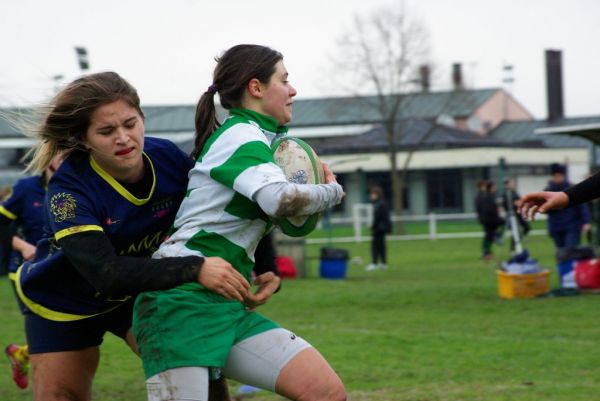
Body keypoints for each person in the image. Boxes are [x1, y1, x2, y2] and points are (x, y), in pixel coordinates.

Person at [11, 71, 253, 401]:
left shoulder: (167, 158)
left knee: (200, 372)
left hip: (140, 291)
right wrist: (195, 268)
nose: (124, 138)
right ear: (84, 139)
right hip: (63, 302)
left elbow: (223, 202)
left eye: (130, 123)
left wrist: (265, 261)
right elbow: (106, 273)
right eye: (107, 131)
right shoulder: (68, 193)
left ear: (143, 117)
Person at [132, 44, 346, 401]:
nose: (293, 90)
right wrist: (332, 191)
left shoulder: (257, 139)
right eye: (285, 80)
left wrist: (266, 266)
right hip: (180, 303)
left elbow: (279, 215)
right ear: (256, 88)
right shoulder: (241, 135)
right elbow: (281, 199)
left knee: (325, 391)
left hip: (226, 303)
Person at [0, 154, 63, 389]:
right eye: (61, 155)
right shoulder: (26, 189)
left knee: (65, 330)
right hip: (27, 272)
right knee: (46, 331)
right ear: (49, 159)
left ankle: (22, 355)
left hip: (63, 271)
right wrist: (23, 246)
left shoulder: (79, 186)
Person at [537, 163, 591, 249]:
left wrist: (586, 221)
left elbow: (582, 206)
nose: (558, 178)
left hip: (572, 226)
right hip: (556, 227)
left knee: (570, 251)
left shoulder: (572, 188)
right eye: (556, 176)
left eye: (559, 175)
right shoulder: (548, 191)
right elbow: (545, 209)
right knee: (561, 252)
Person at [475, 179, 504, 261]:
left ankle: (487, 253)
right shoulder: (481, 196)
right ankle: (487, 251)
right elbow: (481, 209)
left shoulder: (484, 195)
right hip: (488, 219)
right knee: (489, 235)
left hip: (486, 219)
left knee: (488, 236)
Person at [365, 185, 391, 271]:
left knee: (375, 246)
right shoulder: (381, 203)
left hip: (379, 229)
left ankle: (375, 263)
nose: (371, 196)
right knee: (381, 246)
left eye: (373, 194)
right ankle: (383, 263)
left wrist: (374, 226)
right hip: (381, 228)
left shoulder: (379, 204)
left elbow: (380, 217)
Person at [502, 178, 530, 251]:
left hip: (518, 213)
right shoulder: (505, 194)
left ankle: (516, 242)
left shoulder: (514, 192)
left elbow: (520, 200)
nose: (512, 185)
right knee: (515, 231)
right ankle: (513, 247)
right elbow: (506, 205)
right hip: (512, 215)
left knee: (526, 228)